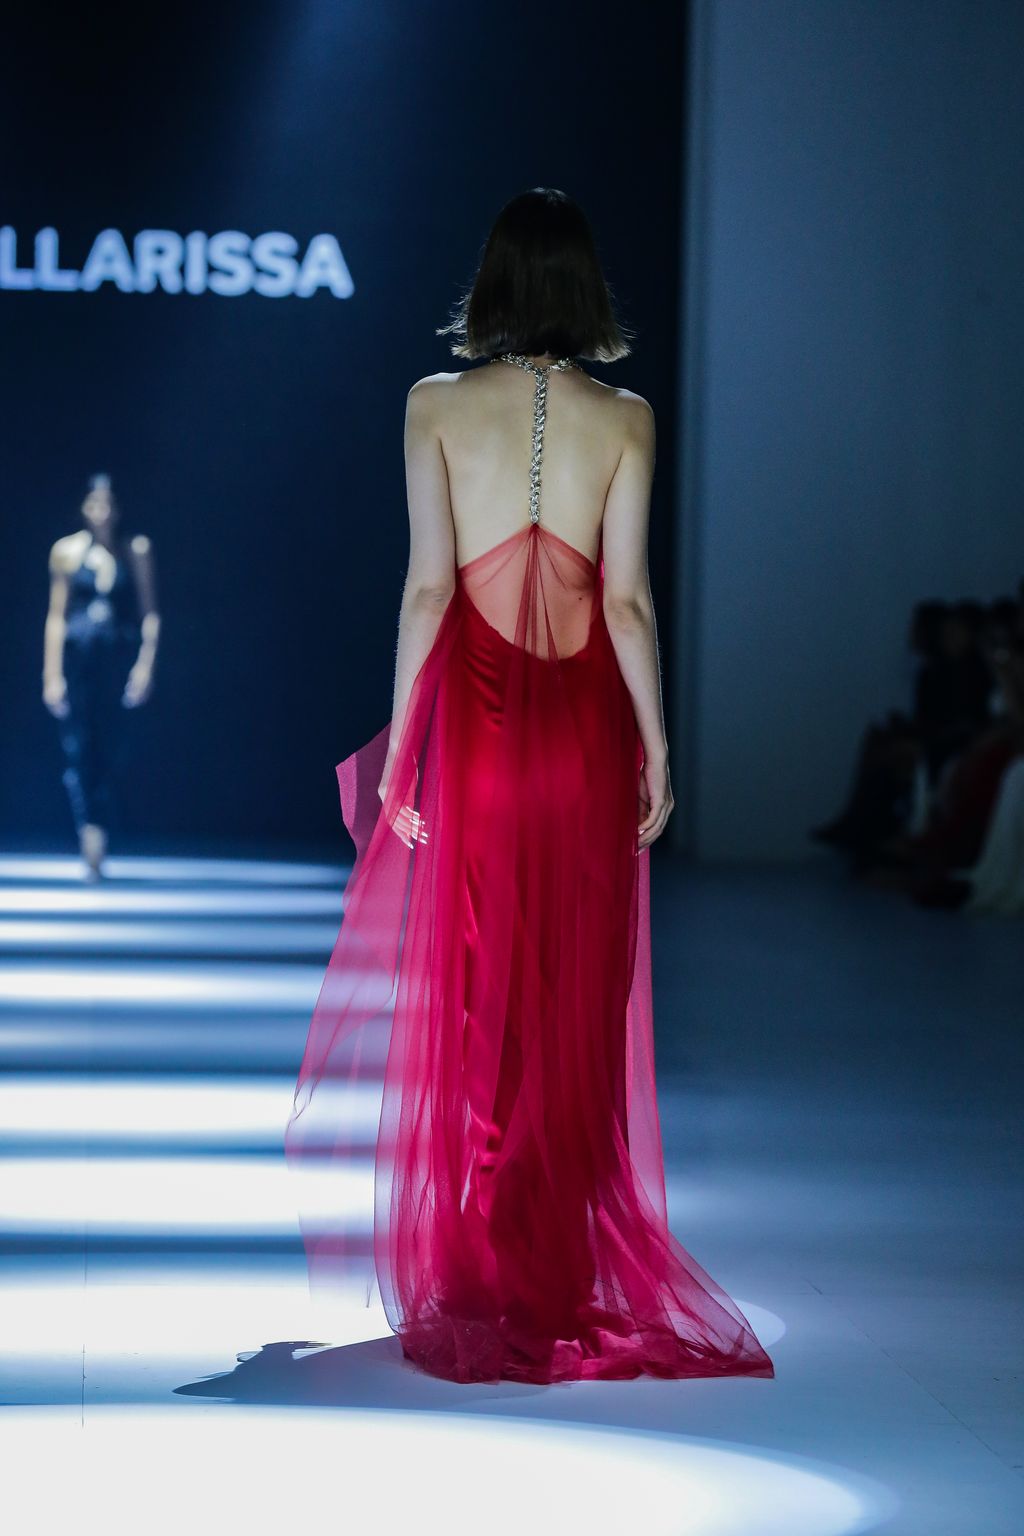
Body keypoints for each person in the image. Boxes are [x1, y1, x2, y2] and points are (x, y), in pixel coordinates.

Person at [285, 188, 774, 1385]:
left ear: (495, 280)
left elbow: (427, 594)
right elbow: (625, 601)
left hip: (486, 741)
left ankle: (487, 1267)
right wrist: (656, 744)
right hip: (588, 742)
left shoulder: (435, 406)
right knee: (574, 1004)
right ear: (587, 287)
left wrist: (403, 754)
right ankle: (551, 1273)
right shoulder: (628, 418)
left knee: (479, 1003)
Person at [42, 474, 160, 880]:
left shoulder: (134, 550)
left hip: (117, 661)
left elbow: (150, 612)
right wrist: (51, 672)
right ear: (85, 508)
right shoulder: (68, 552)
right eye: (94, 504)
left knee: (112, 747)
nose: (102, 513)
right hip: (79, 663)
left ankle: (104, 830)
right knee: (79, 747)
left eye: (108, 504)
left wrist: (145, 664)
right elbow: (56, 616)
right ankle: (88, 833)